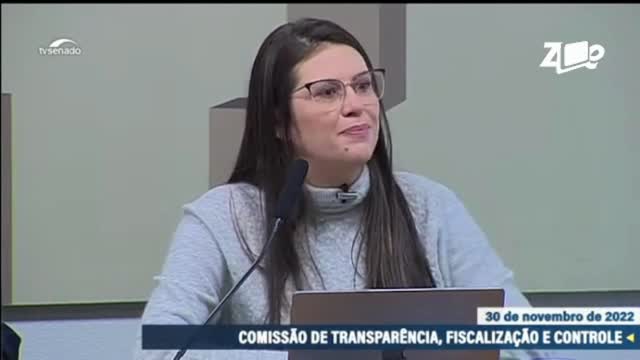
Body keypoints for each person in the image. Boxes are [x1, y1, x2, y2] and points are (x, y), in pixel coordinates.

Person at [134, 17, 567, 360]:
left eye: (363, 86)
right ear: (279, 121)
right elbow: (159, 349)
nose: (356, 105)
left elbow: (529, 342)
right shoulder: (221, 218)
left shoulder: (430, 206)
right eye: (326, 92)